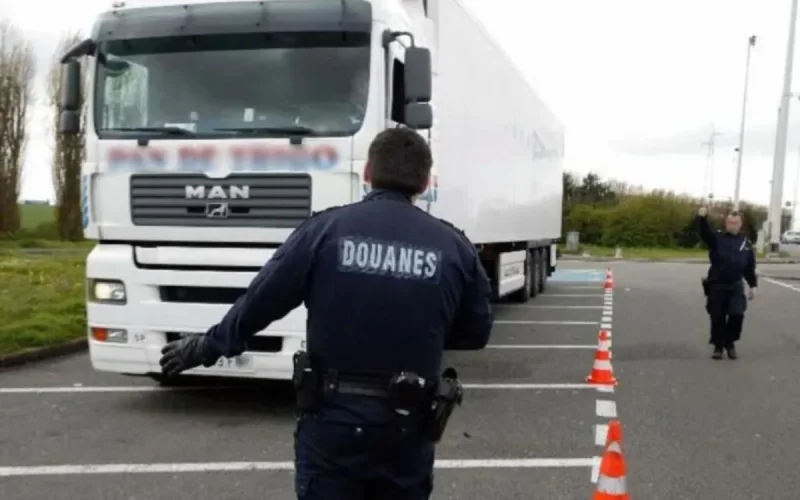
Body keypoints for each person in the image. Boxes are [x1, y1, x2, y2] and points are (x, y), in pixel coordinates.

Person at [158, 127, 494, 499]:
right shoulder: (454, 246)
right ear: (426, 182)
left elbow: (261, 303)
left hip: (332, 422)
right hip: (406, 427)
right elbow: (476, 332)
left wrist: (207, 346)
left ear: (367, 173)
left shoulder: (324, 231)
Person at [694, 207, 757, 360]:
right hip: (717, 284)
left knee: (737, 314)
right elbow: (704, 233)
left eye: (735, 223)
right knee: (717, 316)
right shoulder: (717, 238)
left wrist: (753, 285)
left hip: (735, 285)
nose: (732, 226)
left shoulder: (745, 244)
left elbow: (749, 267)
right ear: (726, 223)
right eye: (730, 222)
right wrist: (702, 218)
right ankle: (718, 346)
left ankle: (730, 343)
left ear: (740, 224)